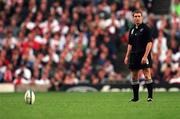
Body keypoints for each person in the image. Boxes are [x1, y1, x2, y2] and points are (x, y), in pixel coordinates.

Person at [124, 10, 153, 102]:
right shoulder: (132, 30)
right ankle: (136, 98)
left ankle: (150, 97)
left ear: (142, 17)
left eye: (138, 16)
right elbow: (130, 44)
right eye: (135, 16)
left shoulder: (146, 28)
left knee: (147, 74)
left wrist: (145, 56)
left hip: (143, 54)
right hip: (134, 55)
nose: (137, 18)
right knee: (134, 76)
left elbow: (149, 43)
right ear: (133, 18)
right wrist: (127, 56)